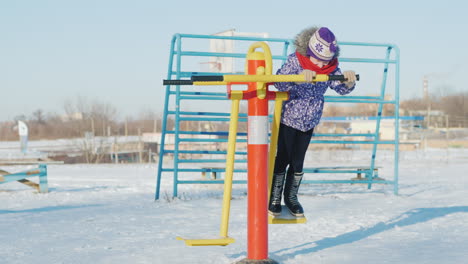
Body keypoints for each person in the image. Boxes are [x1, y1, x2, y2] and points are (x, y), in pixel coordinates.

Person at [269, 27, 357, 217]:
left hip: (309, 121)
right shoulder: (296, 61)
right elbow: (279, 82)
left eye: (324, 60)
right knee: (282, 158)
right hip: (289, 118)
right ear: (310, 51)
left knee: (298, 161)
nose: (319, 64)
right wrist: (298, 78)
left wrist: (348, 81)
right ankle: (274, 197)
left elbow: (340, 87)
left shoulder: (331, 67)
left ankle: (291, 198)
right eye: (317, 58)